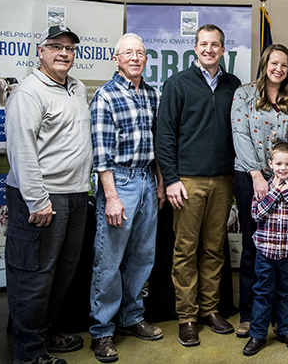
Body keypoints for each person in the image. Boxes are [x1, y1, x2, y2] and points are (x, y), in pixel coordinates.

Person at [4, 25, 93, 364]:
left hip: (74, 195)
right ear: (40, 51)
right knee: (34, 276)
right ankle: (29, 354)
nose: (64, 53)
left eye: (70, 48)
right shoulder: (29, 92)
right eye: (56, 46)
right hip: (43, 197)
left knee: (61, 273)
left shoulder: (77, 88)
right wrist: (37, 199)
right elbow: (22, 150)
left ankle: (43, 333)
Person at [156, 24, 241, 347]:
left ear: (223, 49)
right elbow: (164, 136)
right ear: (195, 48)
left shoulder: (233, 85)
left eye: (215, 44)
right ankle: (187, 317)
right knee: (185, 251)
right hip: (187, 181)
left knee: (213, 249)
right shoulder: (177, 84)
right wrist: (173, 179)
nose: (209, 49)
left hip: (223, 180)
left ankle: (210, 310)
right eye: (203, 44)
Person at [88, 33, 165, 363]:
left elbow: (158, 143)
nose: (135, 58)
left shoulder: (152, 93)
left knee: (143, 256)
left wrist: (160, 184)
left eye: (141, 53)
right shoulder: (105, 96)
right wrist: (112, 197)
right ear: (116, 59)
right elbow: (101, 154)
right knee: (109, 259)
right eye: (128, 53)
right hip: (119, 181)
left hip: (148, 179)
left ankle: (132, 317)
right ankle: (102, 331)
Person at [231, 44, 288, 338]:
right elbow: (240, 134)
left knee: (284, 247)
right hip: (250, 177)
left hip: (286, 179)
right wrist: (256, 175)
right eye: (274, 63)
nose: (279, 69)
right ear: (264, 64)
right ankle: (250, 315)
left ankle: (280, 316)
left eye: (284, 65)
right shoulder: (244, 94)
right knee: (254, 247)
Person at [242, 142, 288, 356]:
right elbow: (256, 215)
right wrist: (274, 195)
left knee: (285, 292)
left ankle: (286, 330)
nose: (283, 168)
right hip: (265, 251)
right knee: (263, 292)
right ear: (270, 164)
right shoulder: (263, 188)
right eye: (278, 163)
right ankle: (258, 334)